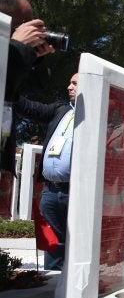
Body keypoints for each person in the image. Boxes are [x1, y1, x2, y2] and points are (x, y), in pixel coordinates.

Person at [14, 73, 78, 270]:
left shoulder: (99, 116)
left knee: (77, 248)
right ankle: (53, 289)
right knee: (52, 245)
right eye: (69, 82)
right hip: (50, 192)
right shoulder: (61, 109)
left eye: (75, 83)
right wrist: (9, 91)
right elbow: (31, 108)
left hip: (76, 193)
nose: (69, 87)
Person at [0, 0, 54, 177]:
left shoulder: (11, 59)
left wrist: (36, 57)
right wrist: (17, 47)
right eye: (25, 25)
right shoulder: (11, 55)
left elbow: (37, 86)